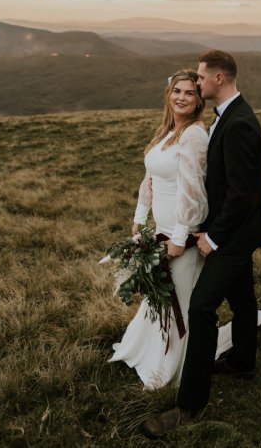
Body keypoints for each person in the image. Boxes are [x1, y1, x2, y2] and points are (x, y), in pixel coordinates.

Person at [141, 49, 261, 438]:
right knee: (244, 298)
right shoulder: (226, 116)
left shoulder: (241, 123)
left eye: (200, 78)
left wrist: (212, 238)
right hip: (230, 228)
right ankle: (243, 362)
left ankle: (189, 406)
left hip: (234, 233)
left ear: (217, 79)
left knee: (200, 308)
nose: (196, 84)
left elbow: (242, 194)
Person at [109, 69, 209, 388]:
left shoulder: (194, 134)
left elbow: (193, 190)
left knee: (179, 301)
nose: (181, 97)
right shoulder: (167, 131)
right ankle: (149, 349)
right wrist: (141, 215)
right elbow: (149, 177)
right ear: (168, 94)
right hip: (160, 229)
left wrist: (179, 238)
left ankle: (173, 366)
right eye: (177, 91)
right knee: (162, 297)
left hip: (180, 234)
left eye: (189, 93)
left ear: (198, 101)